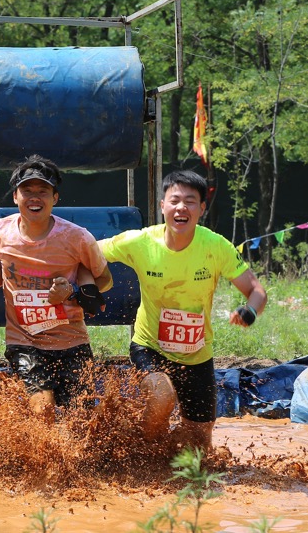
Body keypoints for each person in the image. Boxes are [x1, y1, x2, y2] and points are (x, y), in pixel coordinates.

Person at [98, 170, 267, 450]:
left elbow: (257, 291)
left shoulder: (216, 246)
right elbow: (86, 251)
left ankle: (161, 452)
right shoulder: (139, 242)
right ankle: (137, 453)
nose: (181, 208)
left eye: (190, 201)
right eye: (175, 200)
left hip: (197, 355)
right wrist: (84, 286)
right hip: (150, 346)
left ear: (201, 209)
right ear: (162, 205)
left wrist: (249, 312)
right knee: (161, 397)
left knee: (199, 448)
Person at [0, 155, 113, 422]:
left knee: (82, 421)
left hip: (72, 341)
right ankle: (42, 462)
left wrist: (74, 293)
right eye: (27, 191)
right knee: (42, 410)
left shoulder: (77, 237)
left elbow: (106, 280)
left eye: (43, 191)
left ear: (55, 198)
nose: (35, 198)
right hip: (24, 341)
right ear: (15, 197)